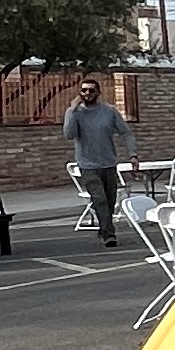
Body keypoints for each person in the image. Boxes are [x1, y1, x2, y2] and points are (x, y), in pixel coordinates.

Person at [62, 77, 133, 248]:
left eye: (91, 90)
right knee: (99, 198)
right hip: (87, 165)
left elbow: (126, 133)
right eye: (84, 90)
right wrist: (72, 110)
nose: (87, 93)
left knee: (110, 200)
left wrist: (133, 154)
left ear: (98, 93)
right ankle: (110, 235)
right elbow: (69, 134)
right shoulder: (75, 113)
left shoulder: (109, 111)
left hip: (108, 163)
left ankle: (103, 229)